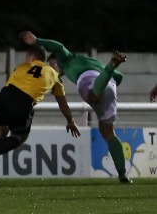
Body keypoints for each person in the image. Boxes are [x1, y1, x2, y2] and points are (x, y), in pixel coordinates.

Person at [20, 31, 131, 184]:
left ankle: (111, 65)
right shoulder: (87, 61)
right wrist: (109, 76)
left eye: (52, 65)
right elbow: (120, 77)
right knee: (107, 131)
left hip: (92, 81)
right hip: (109, 84)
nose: (52, 69)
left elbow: (58, 47)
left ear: (56, 61)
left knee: (92, 95)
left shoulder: (66, 59)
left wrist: (37, 40)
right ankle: (122, 174)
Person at [0, 43, 81, 184]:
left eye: (27, 55)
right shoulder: (54, 75)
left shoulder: (21, 68)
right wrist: (70, 121)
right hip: (23, 101)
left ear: (33, 57)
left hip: (4, 96)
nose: (25, 57)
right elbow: (62, 103)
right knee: (19, 137)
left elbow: (12, 83)